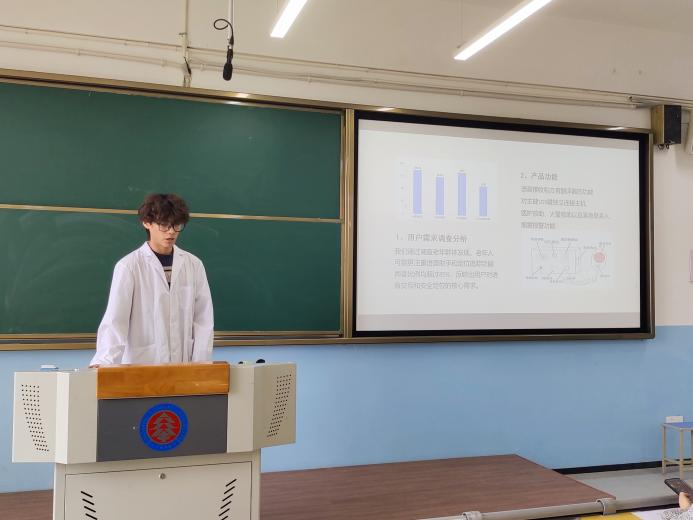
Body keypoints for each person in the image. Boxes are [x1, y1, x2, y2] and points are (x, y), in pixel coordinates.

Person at [90, 193, 214, 366]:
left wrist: (201, 364)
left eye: (177, 225)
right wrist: (104, 362)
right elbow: (116, 320)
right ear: (146, 223)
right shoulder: (129, 266)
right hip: (141, 365)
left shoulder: (194, 264)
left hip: (184, 367)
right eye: (164, 225)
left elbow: (203, 320)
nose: (171, 231)